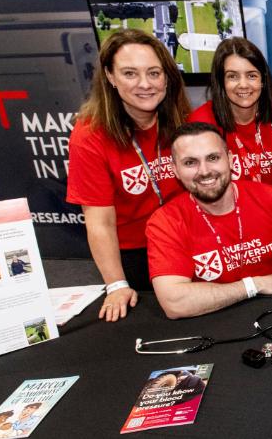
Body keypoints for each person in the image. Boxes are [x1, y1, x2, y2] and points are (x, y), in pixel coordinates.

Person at [67, 29, 191, 322]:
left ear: (167, 77)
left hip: (186, 241)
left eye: (154, 73)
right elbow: (99, 221)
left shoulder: (181, 119)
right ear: (110, 76)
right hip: (136, 253)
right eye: (130, 73)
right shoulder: (90, 136)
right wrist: (117, 284)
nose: (145, 84)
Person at [146, 123, 272, 319]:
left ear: (230, 159)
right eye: (190, 162)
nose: (204, 171)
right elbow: (174, 303)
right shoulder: (165, 221)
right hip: (210, 320)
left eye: (213, 158)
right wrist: (255, 285)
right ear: (175, 170)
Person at [188, 37, 272, 205]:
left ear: (263, 80)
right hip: (229, 223)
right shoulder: (201, 123)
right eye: (232, 76)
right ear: (221, 82)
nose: (243, 84)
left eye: (252, 75)